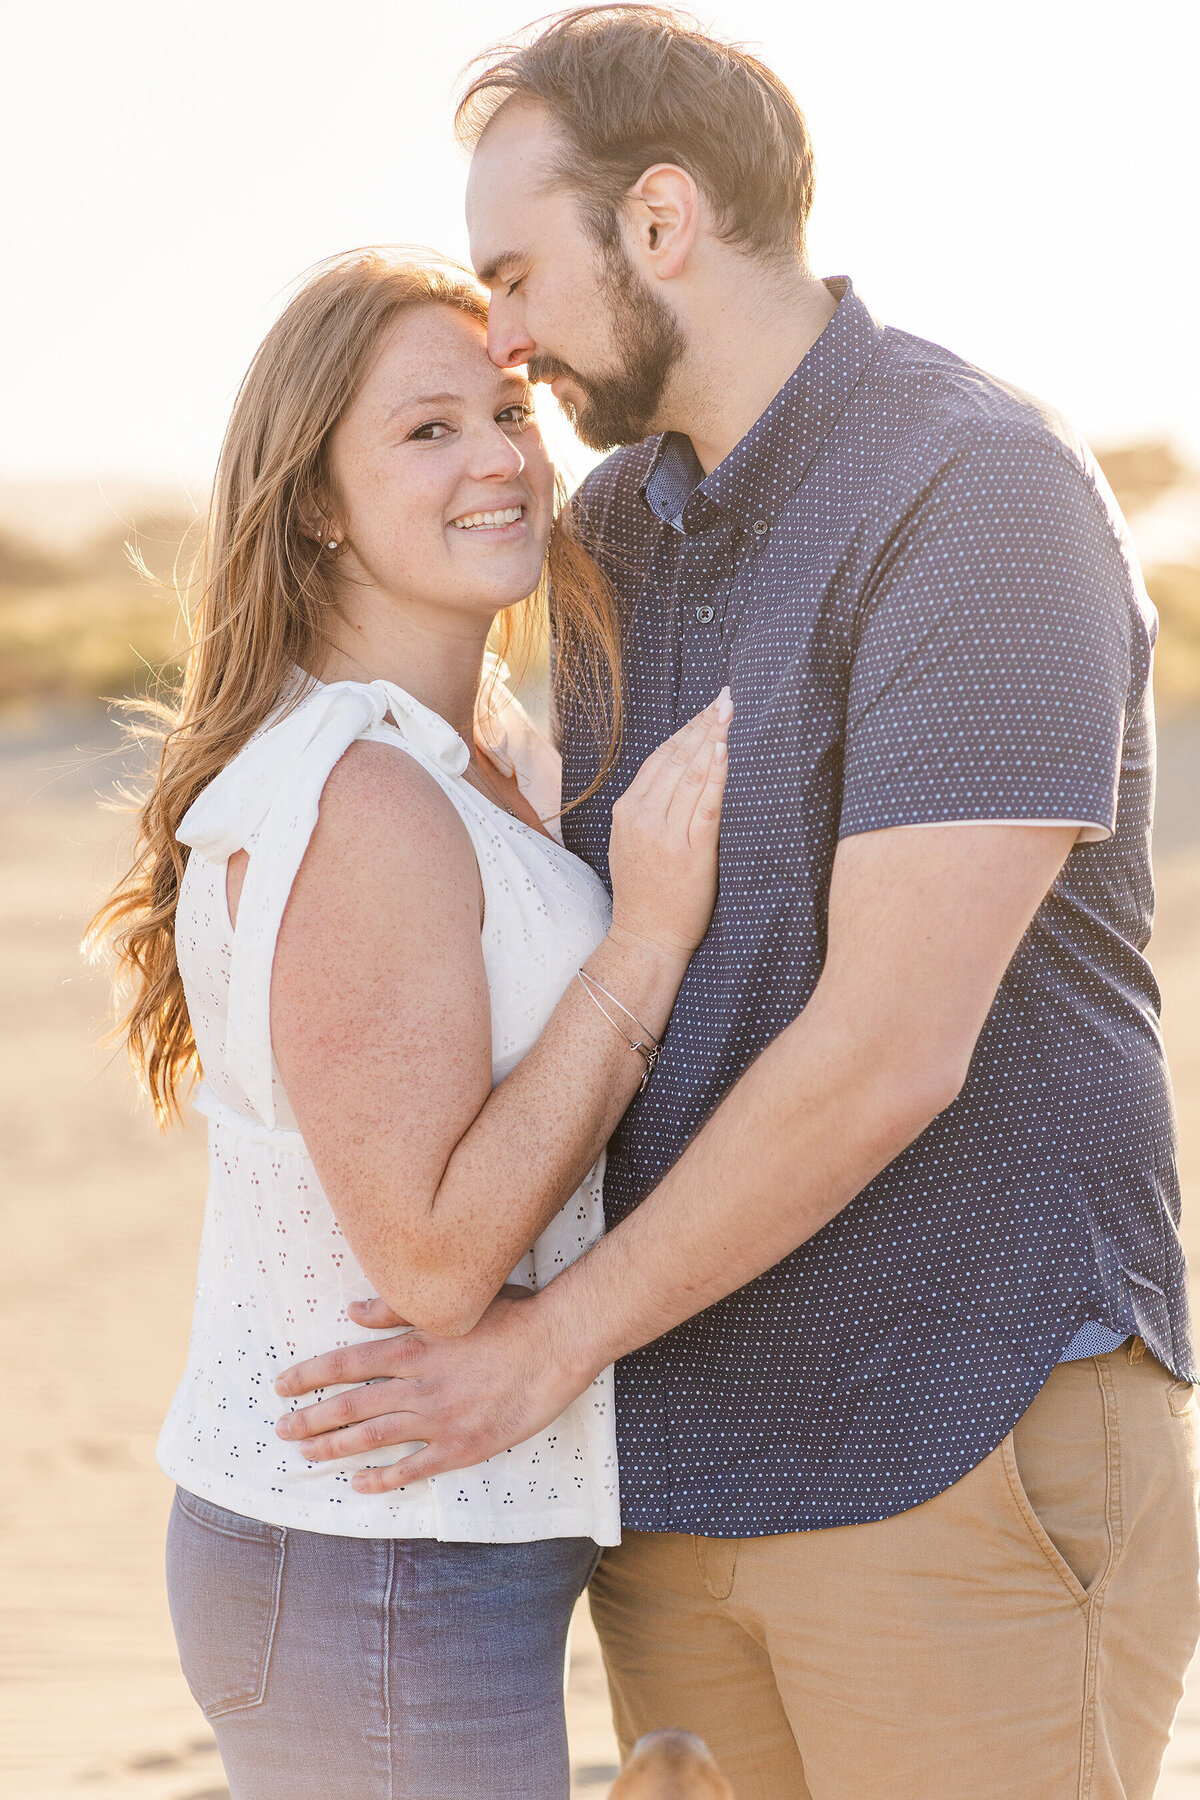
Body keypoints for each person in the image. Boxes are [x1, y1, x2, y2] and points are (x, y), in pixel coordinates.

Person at [275, 10, 1200, 1800]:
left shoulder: (977, 493)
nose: (509, 336)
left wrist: (544, 1346)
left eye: (519, 272)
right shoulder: (614, 529)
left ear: (664, 220)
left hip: (958, 1433)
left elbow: (886, 1053)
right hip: (675, 1468)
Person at [88, 246, 731, 1800]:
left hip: (438, 1548)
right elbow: (438, 1261)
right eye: (426, 430)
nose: (500, 458)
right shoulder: (359, 792)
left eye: (508, 409)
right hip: (370, 1562)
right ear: (316, 502)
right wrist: (643, 943)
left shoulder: (483, 750)